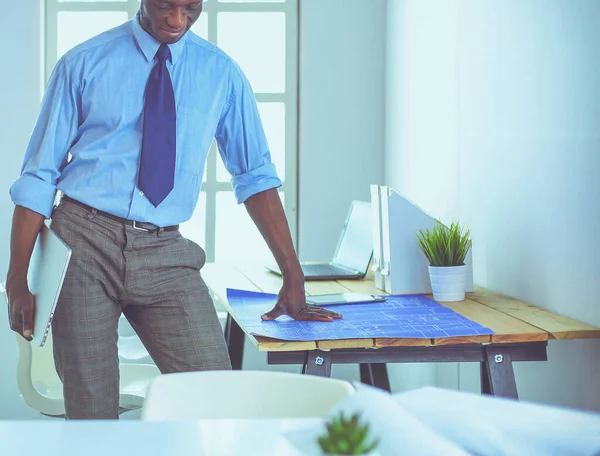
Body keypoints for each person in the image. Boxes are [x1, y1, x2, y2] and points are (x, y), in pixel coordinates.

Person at [6, 0, 341, 420]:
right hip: (82, 243)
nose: (177, 19)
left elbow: (255, 176)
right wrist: (16, 278)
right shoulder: (82, 64)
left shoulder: (222, 75)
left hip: (165, 250)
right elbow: (38, 177)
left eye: (191, 6)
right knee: (92, 418)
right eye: (165, 5)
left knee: (217, 401)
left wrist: (293, 274)